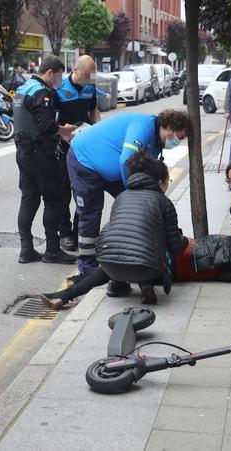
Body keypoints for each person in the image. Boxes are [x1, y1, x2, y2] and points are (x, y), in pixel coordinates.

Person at [41, 151, 191, 307]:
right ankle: (146, 285)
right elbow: (175, 246)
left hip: (110, 265)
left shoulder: (121, 197)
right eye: (169, 181)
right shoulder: (164, 202)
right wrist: (187, 241)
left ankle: (64, 296)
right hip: (147, 269)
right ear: (160, 182)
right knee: (149, 252)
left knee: (121, 256)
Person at [67, 109, 192, 291]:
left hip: (113, 172)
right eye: (179, 137)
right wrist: (134, 192)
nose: (177, 142)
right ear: (169, 129)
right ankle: (87, 269)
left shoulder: (158, 141)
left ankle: (124, 263)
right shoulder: (142, 127)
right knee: (90, 216)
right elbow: (126, 160)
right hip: (84, 161)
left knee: (134, 213)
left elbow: (144, 168)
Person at [14, 56, 77, 264]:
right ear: (49, 73)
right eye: (58, 76)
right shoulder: (42, 92)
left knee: (29, 199)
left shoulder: (24, 88)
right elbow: (46, 125)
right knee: (54, 200)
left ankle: (26, 249)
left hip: (23, 152)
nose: (60, 81)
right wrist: (63, 130)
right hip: (41, 153)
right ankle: (52, 250)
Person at [55, 55, 102, 252]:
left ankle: (78, 231)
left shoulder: (90, 88)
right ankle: (64, 233)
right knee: (63, 191)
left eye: (92, 75)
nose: (89, 79)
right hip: (63, 145)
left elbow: (93, 111)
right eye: (86, 75)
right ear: (75, 70)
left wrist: (99, 130)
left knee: (83, 190)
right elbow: (50, 118)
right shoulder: (60, 88)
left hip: (84, 145)